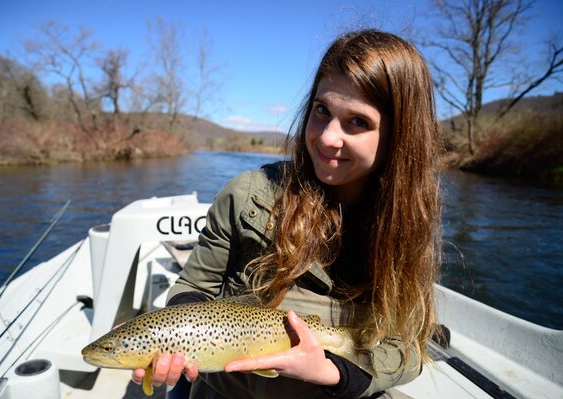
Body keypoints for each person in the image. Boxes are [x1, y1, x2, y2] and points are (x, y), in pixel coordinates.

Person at [132, 29, 442, 398]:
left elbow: (409, 346)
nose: (328, 137)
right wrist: (179, 334)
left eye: (357, 122)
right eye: (322, 111)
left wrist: (336, 373)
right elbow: (195, 287)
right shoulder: (246, 195)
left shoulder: (409, 225)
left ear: (399, 136)